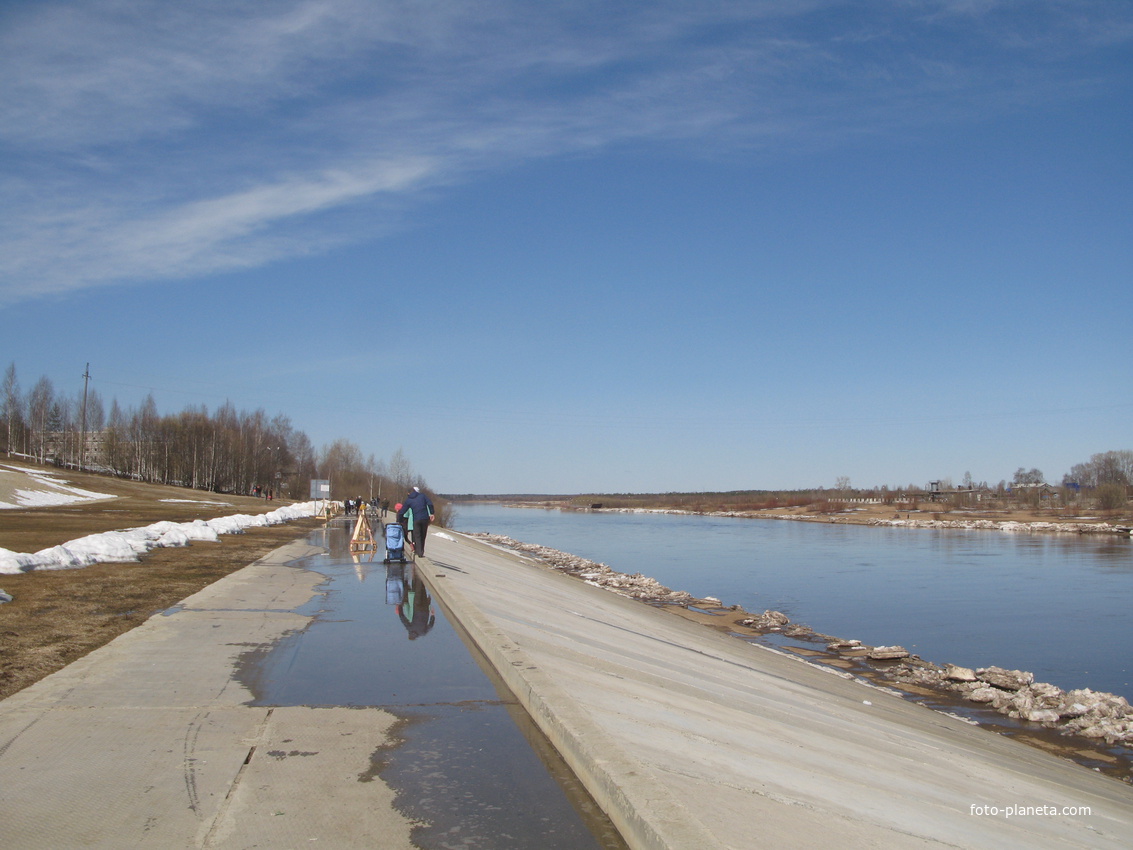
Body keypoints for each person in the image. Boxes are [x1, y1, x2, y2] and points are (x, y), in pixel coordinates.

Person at [396, 486, 435, 556]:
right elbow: (430, 503)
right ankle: (421, 551)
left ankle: (419, 552)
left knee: (417, 536)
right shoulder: (422, 496)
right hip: (425, 518)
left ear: (408, 493)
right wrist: (431, 513)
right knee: (423, 535)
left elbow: (402, 511)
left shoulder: (408, 500)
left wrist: (399, 521)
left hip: (416, 519)